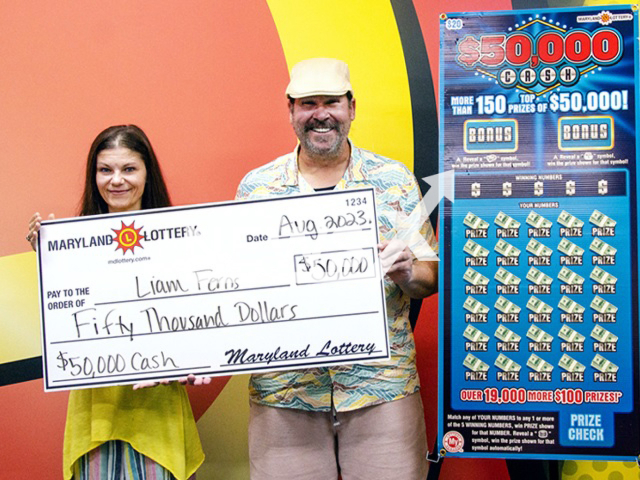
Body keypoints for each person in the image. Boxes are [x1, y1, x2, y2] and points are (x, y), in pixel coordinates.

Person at [235, 58, 438, 480]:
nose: (320, 113)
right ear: (291, 110)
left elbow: (429, 277)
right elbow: (237, 285)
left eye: (331, 101)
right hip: (285, 393)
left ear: (351, 107)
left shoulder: (393, 180)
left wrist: (405, 273)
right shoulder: (257, 188)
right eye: (308, 103)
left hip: (381, 390)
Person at [26, 125, 204, 480]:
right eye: (105, 169)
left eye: (129, 169)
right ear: (94, 176)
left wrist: (193, 358)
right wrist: (49, 259)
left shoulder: (181, 242)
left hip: (157, 414)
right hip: (95, 414)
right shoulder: (70, 245)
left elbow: (196, 325)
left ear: (146, 173)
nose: (116, 180)